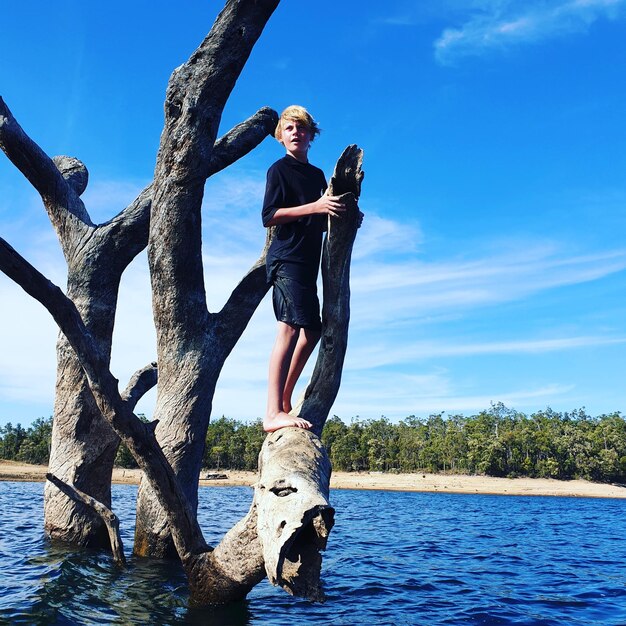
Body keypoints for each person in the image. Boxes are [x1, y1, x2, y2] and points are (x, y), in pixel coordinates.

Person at [262, 105, 346, 433]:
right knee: (288, 329)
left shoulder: (317, 176)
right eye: (290, 128)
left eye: (302, 128)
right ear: (281, 136)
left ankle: (284, 401)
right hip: (286, 259)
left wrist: (344, 216)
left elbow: (320, 220)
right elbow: (269, 215)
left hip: (310, 261)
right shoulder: (278, 170)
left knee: (312, 331)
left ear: (312, 136)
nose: (296, 132)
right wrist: (316, 205)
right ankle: (272, 413)